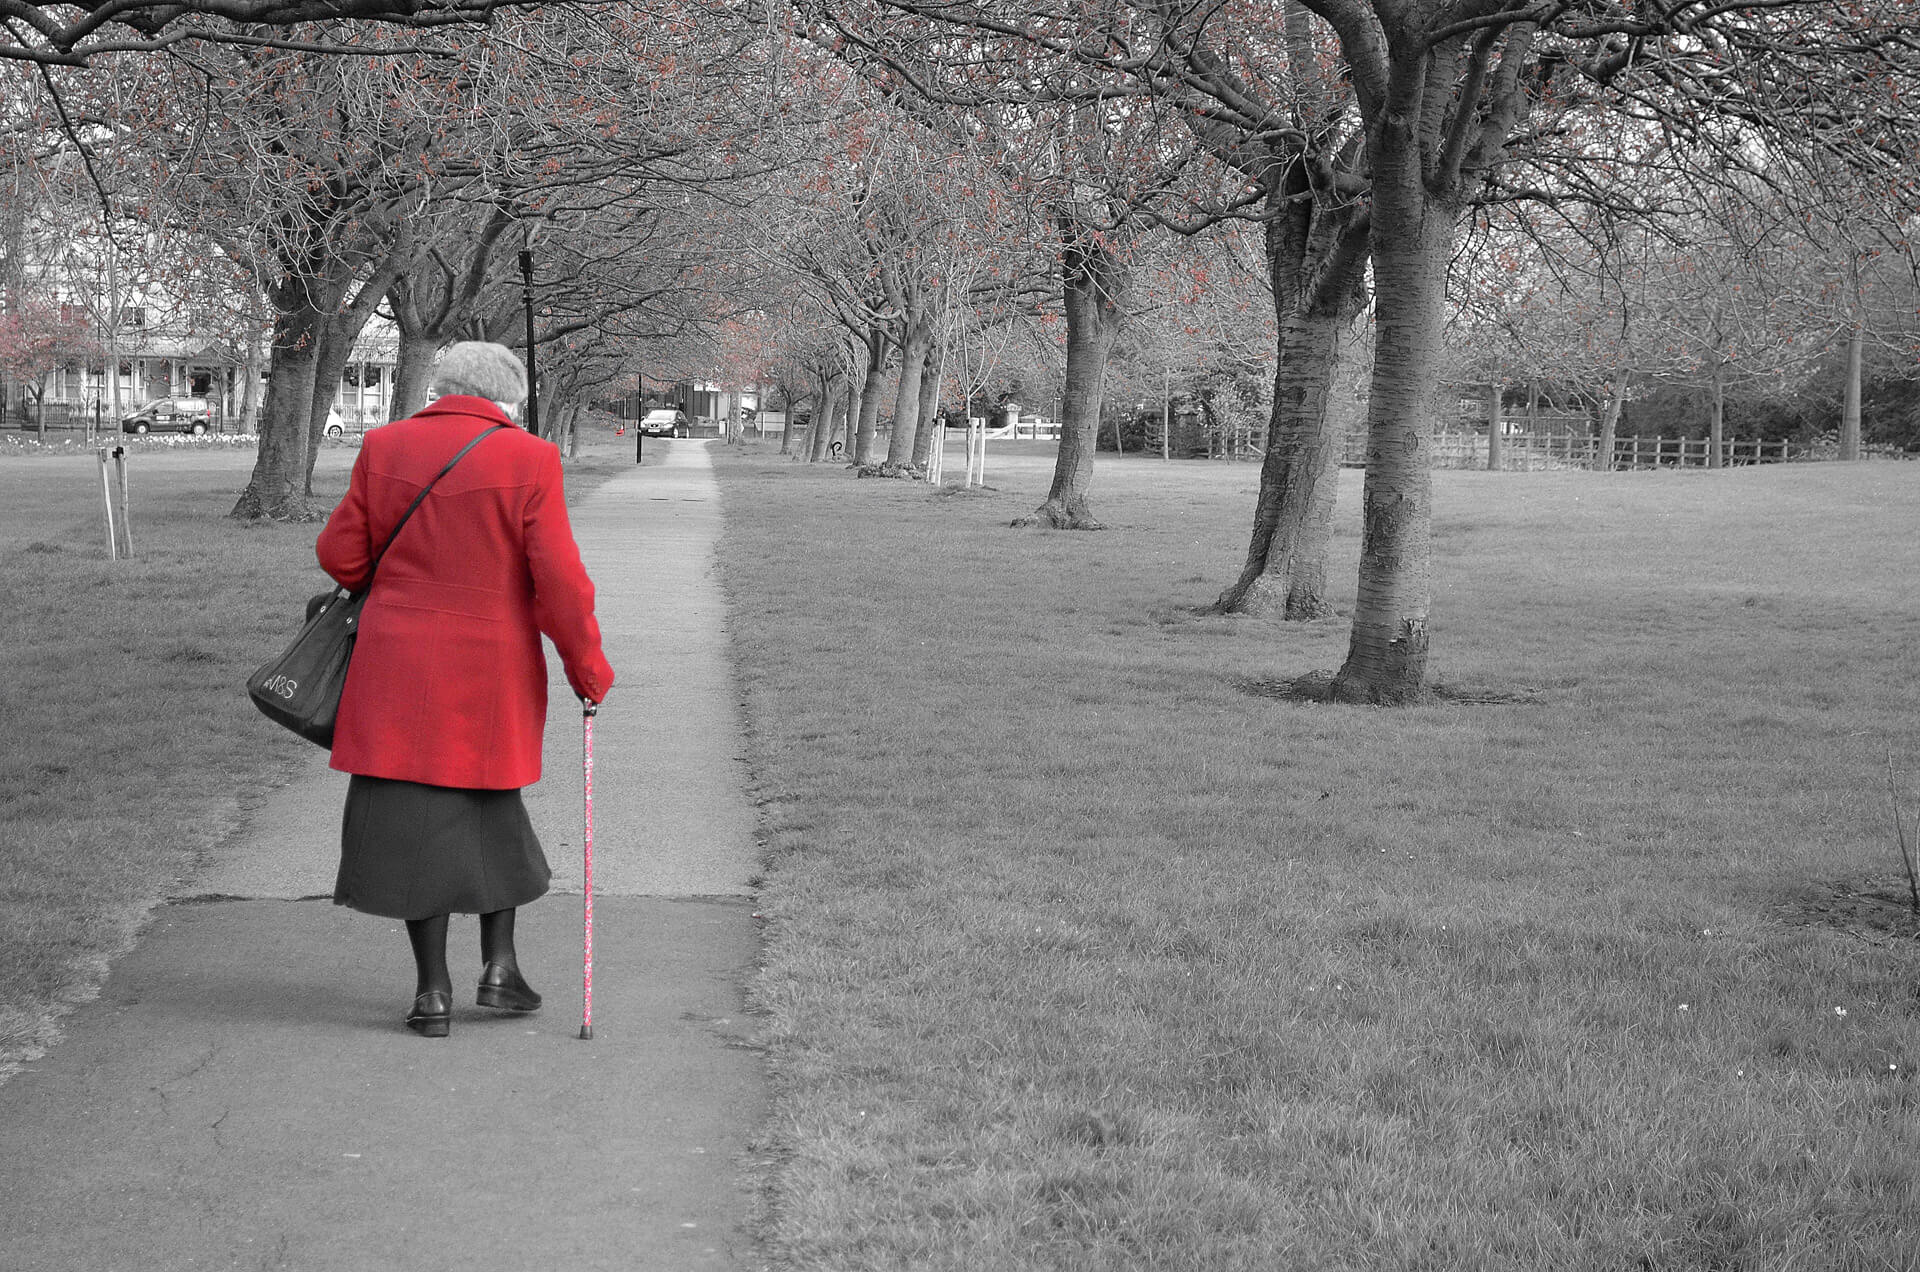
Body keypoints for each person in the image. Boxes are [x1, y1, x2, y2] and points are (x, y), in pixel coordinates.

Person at [315, 341, 614, 1038]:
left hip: (395, 666)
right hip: (489, 667)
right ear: (506, 398)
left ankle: (433, 992)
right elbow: (560, 583)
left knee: (413, 822)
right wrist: (587, 669)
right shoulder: (530, 457)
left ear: (441, 386)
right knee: (490, 809)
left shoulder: (384, 446)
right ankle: (499, 967)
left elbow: (341, 556)